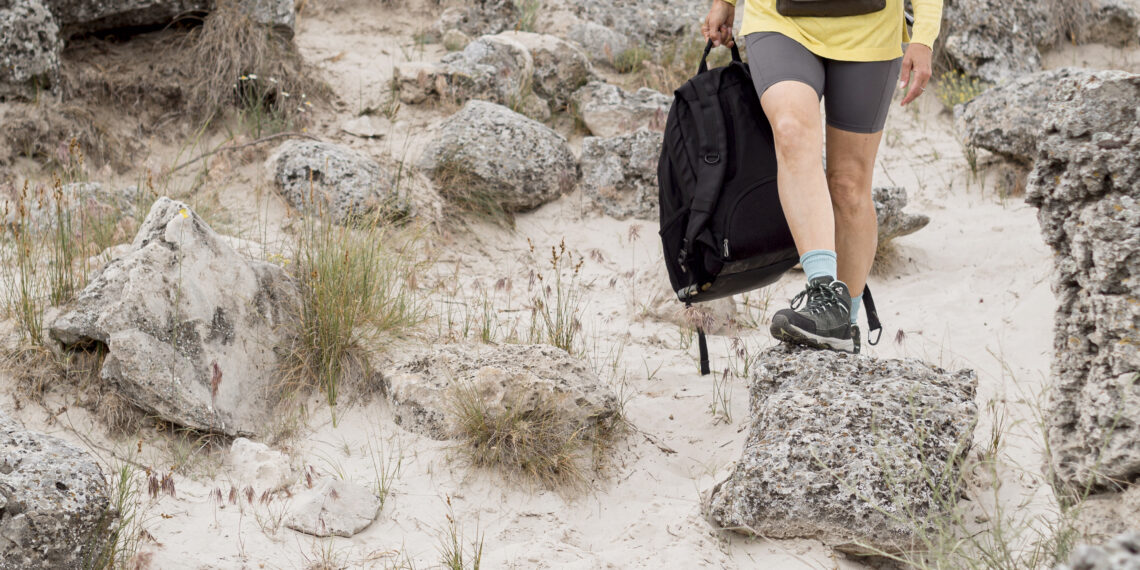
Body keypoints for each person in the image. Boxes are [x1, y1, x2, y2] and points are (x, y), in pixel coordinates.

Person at [702, 0, 941, 353]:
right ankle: (824, 294)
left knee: (848, 184)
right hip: (778, 20)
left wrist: (924, 37)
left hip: (871, 27)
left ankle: (844, 325)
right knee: (791, 130)